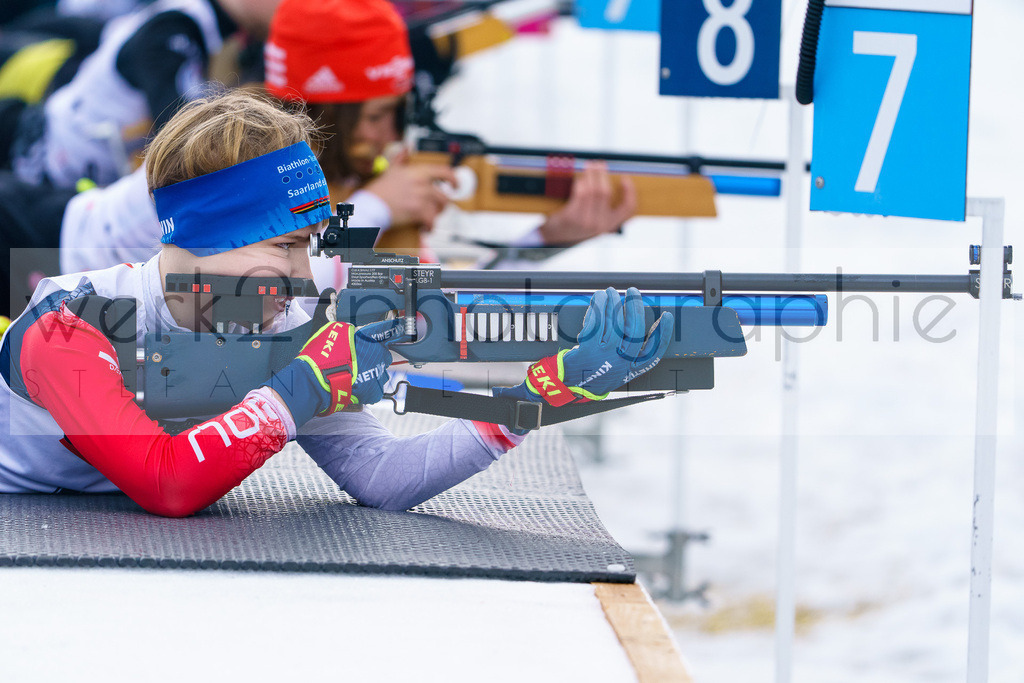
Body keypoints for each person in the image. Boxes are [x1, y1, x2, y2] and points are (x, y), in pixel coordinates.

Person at [0, 90, 673, 517]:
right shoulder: (67, 326)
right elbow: (167, 484)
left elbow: (383, 476)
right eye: (286, 247)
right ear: (207, 237)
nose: (303, 280)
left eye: (309, 248)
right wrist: (300, 389)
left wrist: (545, 393)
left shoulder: (283, 323)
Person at [263, 0, 639, 287]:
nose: (391, 136)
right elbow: (281, 292)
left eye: (398, 115)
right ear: (317, 114)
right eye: (376, 116)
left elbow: (442, 316)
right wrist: (376, 207)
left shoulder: (361, 189)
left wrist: (546, 240)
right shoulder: (254, 173)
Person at [7, 0, 279, 189]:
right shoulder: (173, 27)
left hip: (91, 173)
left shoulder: (203, 26)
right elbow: (185, 141)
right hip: (47, 168)